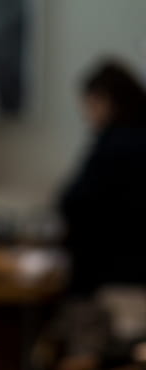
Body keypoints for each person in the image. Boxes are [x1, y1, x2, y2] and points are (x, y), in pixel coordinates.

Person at [59, 59, 146, 295]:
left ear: (106, 100)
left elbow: (77, 201)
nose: (88, 115)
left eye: (90, 105)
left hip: (116, 276)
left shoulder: (116, 143)